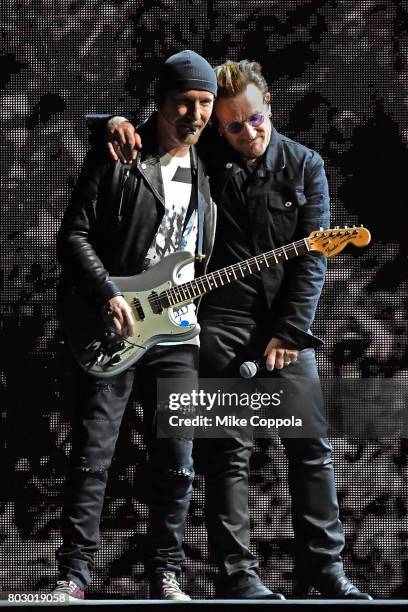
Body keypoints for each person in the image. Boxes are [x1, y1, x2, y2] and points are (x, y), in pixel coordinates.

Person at [101, 59, 372, 600]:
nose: (248, 133)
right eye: (232, 125)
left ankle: (325, 572)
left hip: (287, 328)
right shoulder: (204, 160)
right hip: (219, 323)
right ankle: (238, 577)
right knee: (229, 449)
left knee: (311, 447)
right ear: (218, 128)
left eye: (255, 120)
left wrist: (291, 334)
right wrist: (108, 121)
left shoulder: (306, 165)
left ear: (268, 105)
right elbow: (151, 130)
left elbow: (312, 260)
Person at [52, 50, 218, 601]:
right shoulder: (121, 155)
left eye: (205, 103)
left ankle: (165, 573)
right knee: (95, 452)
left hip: (179, 332)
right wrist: (107, 294)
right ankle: (74, 576)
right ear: (160, 102)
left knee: (177, 460)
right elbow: (71, 236)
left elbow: (266, 145)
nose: (195, 114)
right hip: (116, 324)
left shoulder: (207, 166)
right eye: (184, 103)